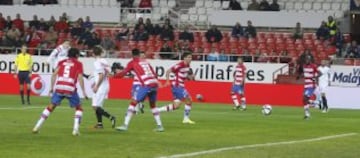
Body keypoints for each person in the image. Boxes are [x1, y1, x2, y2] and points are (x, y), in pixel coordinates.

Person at [32, 48, 88, 136]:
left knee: (51, 106)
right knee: (79, 108)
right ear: (77, 55)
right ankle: (75, 130)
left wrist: (51, 87)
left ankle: (37, 126)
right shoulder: (78, 64)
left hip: (59, 86)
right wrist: (84, 91)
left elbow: (54, 74)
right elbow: (80, 77)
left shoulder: (62, 62)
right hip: (70, 87)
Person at [114, 49, 164, 132]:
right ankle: (160, 126)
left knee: (133, 102)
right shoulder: (146, 62)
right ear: (139, 54)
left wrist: (113, 76)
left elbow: (123, 73)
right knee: (153, 105)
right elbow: (154, 74)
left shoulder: (132, 62)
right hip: (154, 84)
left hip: (146, 84)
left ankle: (125, 125)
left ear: (132, 55)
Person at [158, 52, 196, 124]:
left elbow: (185, 76)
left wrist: (191, 77)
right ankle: (186, 119)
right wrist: (167, 81)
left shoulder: (188, 66)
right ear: (184, 58)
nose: (190, 59)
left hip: (179, 86)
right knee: (189, 100)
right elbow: (168, 71)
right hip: (177, 86)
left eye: (191, 57)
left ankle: (157, 110)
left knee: (176, 106)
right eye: (188, 57)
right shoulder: (180, 65)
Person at [91, 46, 117, 129]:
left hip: (101, 86)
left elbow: (101, 75)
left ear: (93, 54)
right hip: (105, 85)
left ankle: (111, 117)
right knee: (97, 106)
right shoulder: (104, 61)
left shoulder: (97, 62)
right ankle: (99, 124)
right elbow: (110, 73)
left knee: (96, 106)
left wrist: (96, 86)